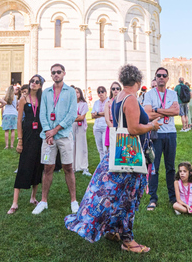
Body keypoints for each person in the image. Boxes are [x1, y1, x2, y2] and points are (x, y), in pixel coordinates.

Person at [65, 64, 160, 253]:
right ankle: (128, 240)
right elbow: (133, 129)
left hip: (118, 152)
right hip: (130, 155)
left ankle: (112, 231)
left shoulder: (117, 98)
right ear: (139, 82)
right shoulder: (131, 98)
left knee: (115, 195)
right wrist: (151, 126)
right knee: (128, 198)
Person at [32, 64, 79, 215]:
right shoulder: (46, 92)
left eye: (59, 72)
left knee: (68, 167)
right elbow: (43, 114)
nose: (56, 74)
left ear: (64, 73)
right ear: (51, 75)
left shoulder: (70, 91)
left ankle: (73, 200)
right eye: (53, 73)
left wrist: (55, 130)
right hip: (48, 136)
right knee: (47, 168)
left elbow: (72, 114)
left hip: (64, 135)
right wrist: (48, 132)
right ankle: (43, 201)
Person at [141, 66, 180, 211]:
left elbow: (176, 111)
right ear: (155, 78)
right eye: (159, 75)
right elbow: (147, 115)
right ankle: (153, 198)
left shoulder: (173, 94)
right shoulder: (150, 94)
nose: (161, 77)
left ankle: (173, 197)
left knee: (170, 167)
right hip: (156, 133)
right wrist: (166, 112)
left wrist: (156, 110)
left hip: (170, 133)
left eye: (164, 75)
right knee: (154, 168)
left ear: (168, 78)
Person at [10, 74, 46, 214]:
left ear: (40, 85)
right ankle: (15, 202)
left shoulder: (42, 99)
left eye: (37, 82)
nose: (34, 83)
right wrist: (20, 140)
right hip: (27, 134)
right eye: (32, 81)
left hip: (39, 135)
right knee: (23, 165)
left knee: (38, 165)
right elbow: (19, 121)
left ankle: (33, 197)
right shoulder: (23, 99)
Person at [73, 87, 91, 176]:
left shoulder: (83, 104)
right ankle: (73, 166)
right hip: (72, 127)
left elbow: (82, 117)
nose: (76, 94)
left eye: (77, 92)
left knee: (82, 146)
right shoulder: (70, 104)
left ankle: (84, 167)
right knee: (72, 146)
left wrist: (73, 118)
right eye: (74, 92)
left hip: (80, 127)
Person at [91, 85, 109, 160]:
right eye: (99, 92)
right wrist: (103, 113)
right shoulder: (96, 102)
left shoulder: (108, 101)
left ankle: (107, 163)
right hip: (97, 127)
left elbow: (108, 113)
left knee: (106, 148)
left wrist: (97, 113)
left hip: (105, 127)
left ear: (106, 93)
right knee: (100, 149)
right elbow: (92, 115)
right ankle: (102, 164)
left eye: (102, 92)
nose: (100, 94)